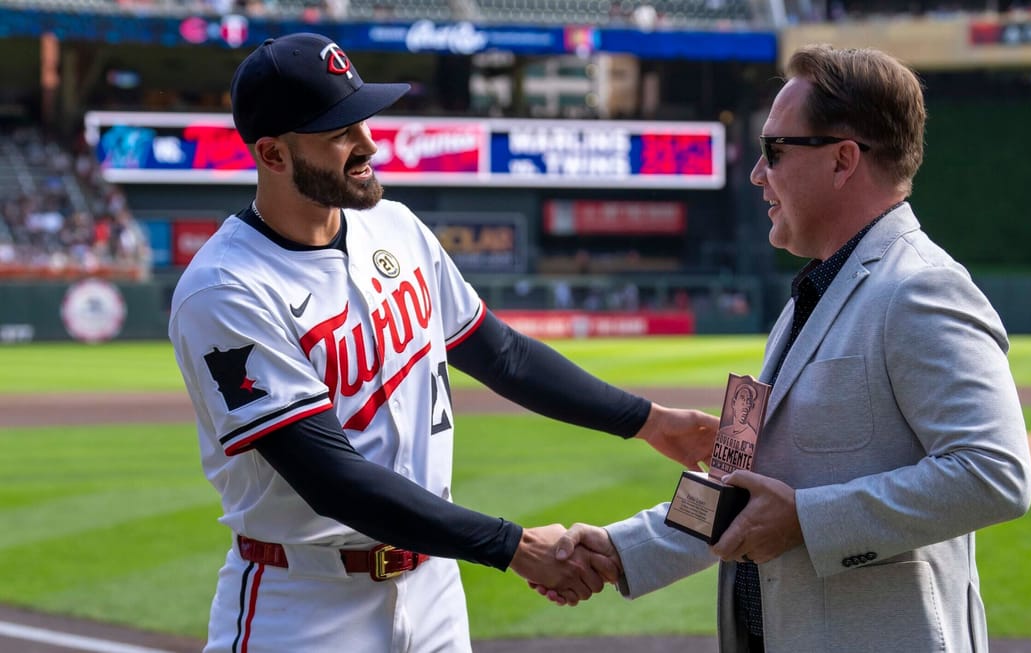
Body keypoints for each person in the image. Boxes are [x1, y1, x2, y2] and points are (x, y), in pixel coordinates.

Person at [167, 32, 718, 653]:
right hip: (305, 604)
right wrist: (513, 547)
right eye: (338, 131)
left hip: (434, 593)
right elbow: (332, 480)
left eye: (363, 118)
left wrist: (648, 422)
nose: (368, 143)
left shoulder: (394, 227)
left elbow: (500, 353)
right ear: (272, 154)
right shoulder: (225, 289)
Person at [539, 44, 1031, 653]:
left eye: (774, 150)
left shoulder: (920, 286)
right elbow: (735, 487)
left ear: (842, 160)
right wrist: (620, 550)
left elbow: (995, 473)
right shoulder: (808, 299)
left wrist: (805, 519)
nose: (756, 174)